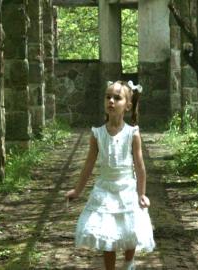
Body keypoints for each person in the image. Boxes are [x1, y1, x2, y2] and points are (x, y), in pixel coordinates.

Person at [65, 80, 155, 270]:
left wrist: (141, 194)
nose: (111, 101)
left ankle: (129, 263)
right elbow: (88, 165)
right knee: (108, 233)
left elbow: (139, 166)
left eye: (117, 97)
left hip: (127, 188)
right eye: (108, 97)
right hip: (105, 189)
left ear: (127, 106)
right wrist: (77, 190)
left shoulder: (133, 133)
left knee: (130, 228)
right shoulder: (97, 133)